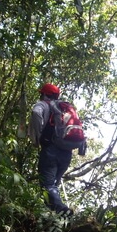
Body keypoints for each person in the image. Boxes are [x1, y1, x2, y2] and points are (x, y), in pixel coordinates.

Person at [29, 83, 73, 216]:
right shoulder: (64, 108)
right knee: (53, 185)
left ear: (44, 94)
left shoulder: (43, 104)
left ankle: (62, 211)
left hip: (50, 151)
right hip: (66, 152)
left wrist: (37, 136)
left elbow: (36, 113)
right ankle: (54, 219)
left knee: (48, 185)